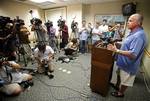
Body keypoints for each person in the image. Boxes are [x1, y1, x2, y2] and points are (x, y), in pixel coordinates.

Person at [107, 13, 147, 97]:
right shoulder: (133, 32)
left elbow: (133, 54)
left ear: (138, 23)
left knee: (125, 81)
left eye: (130, 20)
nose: (128, 22)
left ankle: (120, 93)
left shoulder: (139, 36)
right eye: (128, 20)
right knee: (119, 76)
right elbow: (128, 44)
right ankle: (117, 86)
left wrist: (116, 50)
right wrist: (119, 44)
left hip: (128, 65)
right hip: (122, 62)